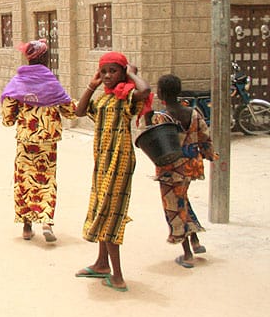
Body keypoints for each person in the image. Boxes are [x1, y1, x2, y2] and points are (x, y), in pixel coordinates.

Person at [74, 51, 151, 293]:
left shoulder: (127, 97)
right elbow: (79, 111)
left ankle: (117, 277)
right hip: (102, 162)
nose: (107, 76)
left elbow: (146, 91)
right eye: (104, 71)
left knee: (110, 215)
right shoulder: (105, 100)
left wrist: (130, 73)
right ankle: (101, 264)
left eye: (113, 71)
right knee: (100, 207)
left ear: (122, 72)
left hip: (119, 161)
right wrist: (92, 85)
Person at [1, 39, 76, 242]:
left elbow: (8, 115)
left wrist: (17, 115)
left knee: (24, 179)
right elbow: (70, 110)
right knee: (46, 178)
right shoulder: (51, 82)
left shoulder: (19, 81)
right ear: (45, 58)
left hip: (25, 140)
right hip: (48, 141)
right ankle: (47, 222)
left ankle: (26, 227)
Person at [149, 74, 218, 269]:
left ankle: (187, 254)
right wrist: (209, 154)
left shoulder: (163, 117)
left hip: (171, 169)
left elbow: (155, 141)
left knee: (174, 207)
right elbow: (205, 136)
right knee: (182, 201)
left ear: (161, 92)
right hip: (190, 165)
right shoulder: (194, 112)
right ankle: (195, 240)